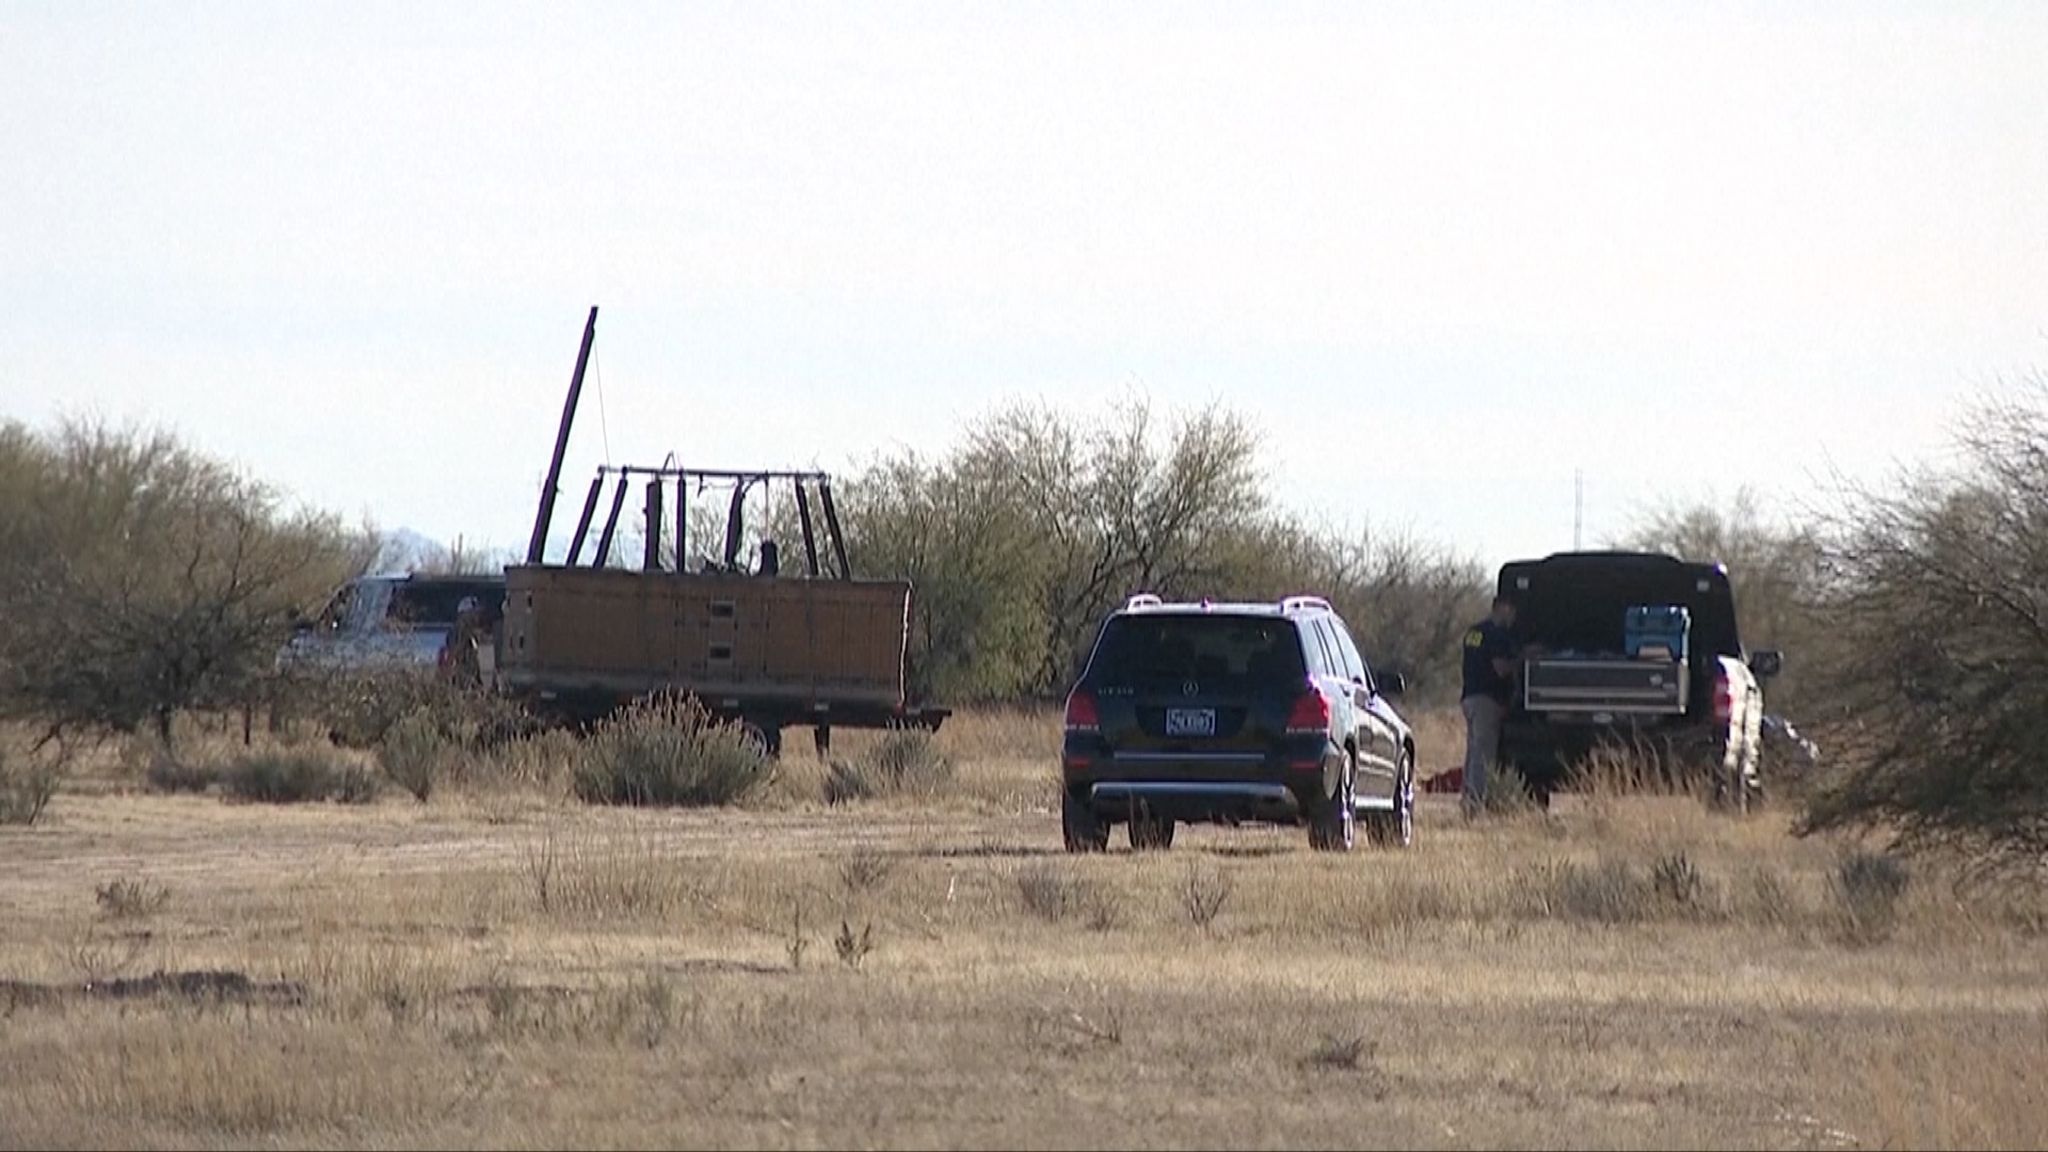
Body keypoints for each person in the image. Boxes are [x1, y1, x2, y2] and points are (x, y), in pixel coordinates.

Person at [1459, 595, 1519, 816]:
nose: (1513, 615)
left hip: (1469, 698)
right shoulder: (1496, 634)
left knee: (1473, 752)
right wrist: (1521, 661)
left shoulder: (1474, 632)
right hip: (1486, 701)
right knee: (1483, 756)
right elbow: (1500, 668)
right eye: (1511, 609)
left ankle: (1468, 801)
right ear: (1501, 608)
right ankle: (1476, 805)